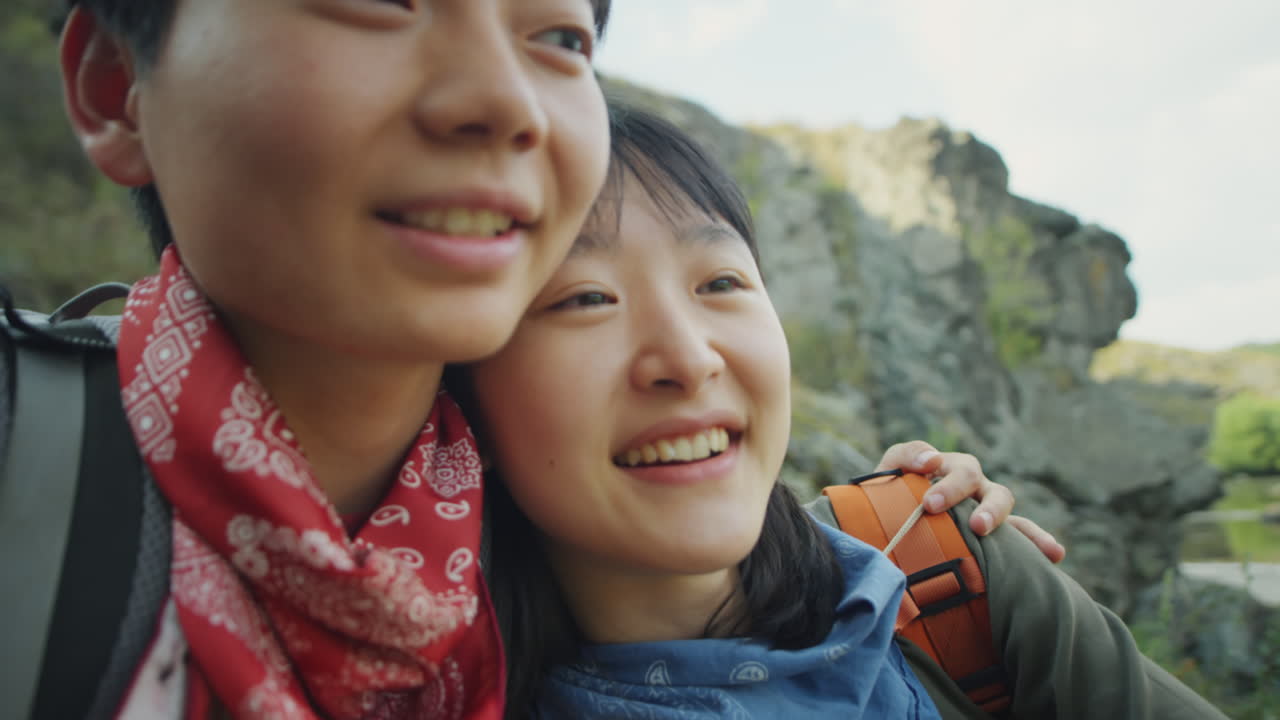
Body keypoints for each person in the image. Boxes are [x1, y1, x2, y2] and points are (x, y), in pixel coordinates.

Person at [0, 3, 1038, 719]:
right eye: (375, 3)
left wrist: (919, 543)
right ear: (115, 83)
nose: (506, 102)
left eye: (557, 34)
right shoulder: (31, 482)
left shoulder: (542, 574)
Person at [465, 103, 1227, 718]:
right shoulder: (418, 699)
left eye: (721, 282)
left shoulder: (942, 565)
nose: (691, 357)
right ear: (462, 399)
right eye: (587, 298)